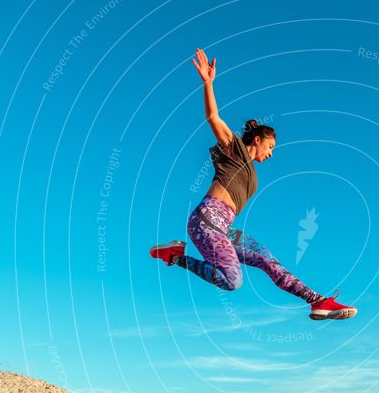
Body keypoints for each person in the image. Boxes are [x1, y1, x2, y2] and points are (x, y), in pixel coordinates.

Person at [150, 48, 356, 321]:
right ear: (256, 139)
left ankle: (317, 302)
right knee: (232, 281)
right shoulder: (234, 148)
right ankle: (175, 257)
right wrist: (208, 83)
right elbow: (213, 118)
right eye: (270, 146)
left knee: (269, 261)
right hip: (206, 220)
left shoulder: (252, 173)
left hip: (224, 227)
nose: (270, 154)